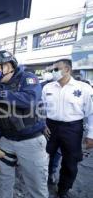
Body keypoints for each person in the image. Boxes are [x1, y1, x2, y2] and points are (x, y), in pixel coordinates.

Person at [0, 50, 49, 198]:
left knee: (36, 185)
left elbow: (29, 99)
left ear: (7, 66)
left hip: (30, 141)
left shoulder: (28, 78)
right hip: (6, 139)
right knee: (5, 178)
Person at [42, 59, 93, 198]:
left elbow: (91, 113)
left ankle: (63, 190)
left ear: (67, 69)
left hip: (72, 128)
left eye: (56, 69)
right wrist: (43, 123)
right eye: (52, 69)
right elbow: (41, 109)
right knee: (45, 156)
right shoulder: (47, 88)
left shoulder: (84, 88)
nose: (53, 72)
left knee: (70, 162)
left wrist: (91, 135)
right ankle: (45, 181)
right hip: (50, 127)